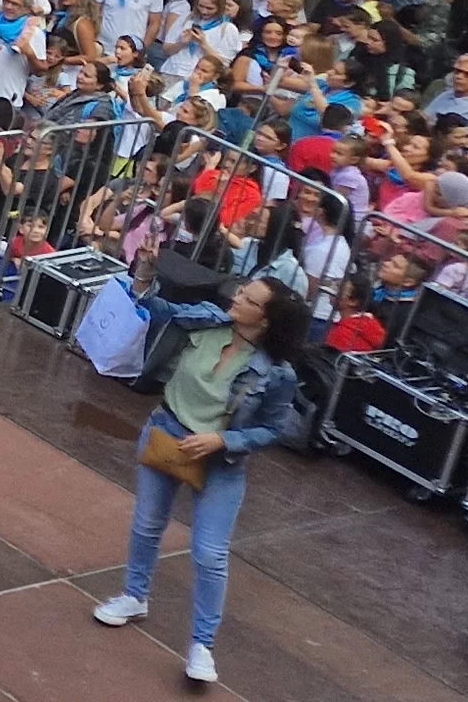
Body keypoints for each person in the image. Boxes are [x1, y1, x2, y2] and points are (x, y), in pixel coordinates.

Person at [93, 276, 312, 687]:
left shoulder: (278, 375)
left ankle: (201, 645)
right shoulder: (207, 323)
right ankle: (133, 596)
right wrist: (143, 278)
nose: (237, 297)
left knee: (210, 553)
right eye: (242, 291)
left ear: (264, 321)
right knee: (146, 524)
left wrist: (223, 440)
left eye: (248, 298)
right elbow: (161, 311)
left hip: (221, 463)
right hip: (165, 432)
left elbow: (275, 429)